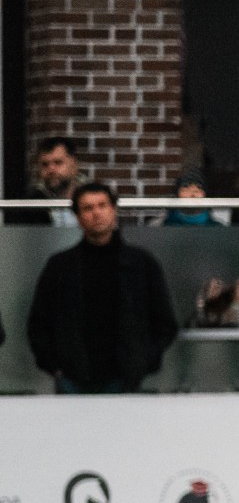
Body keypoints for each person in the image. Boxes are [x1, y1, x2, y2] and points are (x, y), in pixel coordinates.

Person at [27, 183, 179, 394]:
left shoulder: (141, 264)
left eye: (102, 205)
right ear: (78, 217)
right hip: (72, 378)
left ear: (114, 210)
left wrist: (141, 362)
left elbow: (165, 323)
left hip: (125, 378)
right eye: (88, 208)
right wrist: (55, 367)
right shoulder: (60, 266)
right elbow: (38, 323)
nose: (96, 213)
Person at [23, 136, 89, 225]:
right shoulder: (32, 203)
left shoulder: (93, 196)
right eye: (45, 164)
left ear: (74, 165)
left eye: (58, 162)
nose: (51, 169)